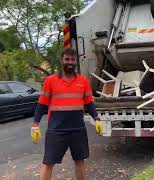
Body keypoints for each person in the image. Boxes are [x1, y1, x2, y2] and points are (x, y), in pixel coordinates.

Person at [31, 48, 103, 180]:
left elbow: (89, 103)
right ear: (62, 61)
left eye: (73, 59)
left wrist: (97, 119)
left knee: (80, 162)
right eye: (67, 59)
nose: (70, 62)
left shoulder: (83, 81)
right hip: (56, 130)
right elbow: (41, 104)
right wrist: (35, 125)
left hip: (78, 130)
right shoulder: (50, 81)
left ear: (76, 61)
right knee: (48, 163)